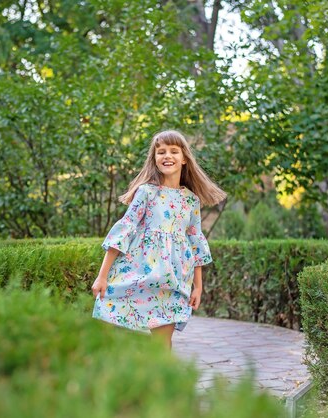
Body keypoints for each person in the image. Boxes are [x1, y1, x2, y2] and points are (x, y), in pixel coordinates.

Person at [91, 130, 227, 349]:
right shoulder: (146, 193)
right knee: (121, 340)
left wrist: (198, 287)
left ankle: (160, 383)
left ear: (184, 159)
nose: (167, 156)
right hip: (139, 276)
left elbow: (195, 243)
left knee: (163, 345)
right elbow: (124, 230)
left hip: (173, 282)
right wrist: (102, 276)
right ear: (154, 158)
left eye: (174, 151)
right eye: (161, 151)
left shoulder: (191, 201)